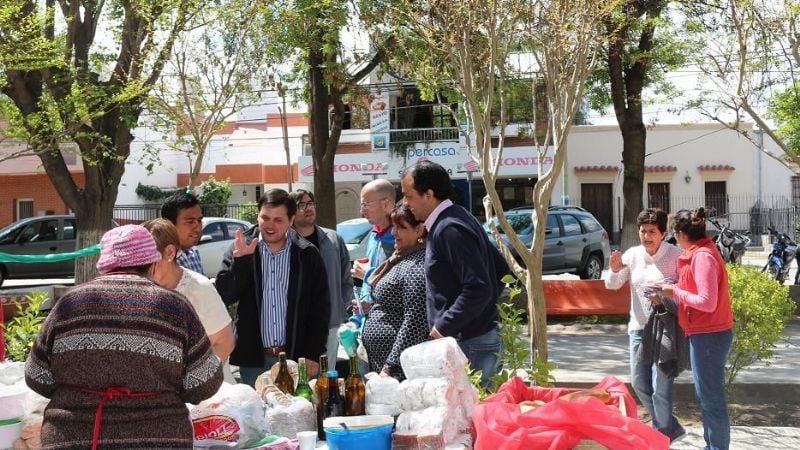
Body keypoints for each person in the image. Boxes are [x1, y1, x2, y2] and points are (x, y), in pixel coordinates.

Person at [25, 225, 223, 449]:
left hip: (73, 437)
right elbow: (205, 383)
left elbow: (36, 375)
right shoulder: (174, 306)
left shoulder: (69, 304)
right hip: (159, 439)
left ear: (104, 265)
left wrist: (81, 394)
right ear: (153, 263)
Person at [400, 160, 509, 386]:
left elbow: (480, 287)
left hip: (470, 343)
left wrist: (444, 325)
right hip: (472, 339)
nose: (405, 203)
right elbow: (499, 270)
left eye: (409, 196)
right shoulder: (456, 218)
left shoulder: (449, 228)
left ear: (428, 194)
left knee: (471, 418)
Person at [215, 188, 330, 387]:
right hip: (254, 361)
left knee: (298, 416)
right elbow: (224, 296)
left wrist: (312, 354)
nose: (270, 226)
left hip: (296, 358)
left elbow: (320, 308)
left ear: (291, 219)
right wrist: (241, 262)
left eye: (278, 220)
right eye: (265, 218)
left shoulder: (307, 254)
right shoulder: (241, 248)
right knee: (256, 417)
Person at [604, 209, 686, 442]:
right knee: (639, 383)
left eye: (652, 231)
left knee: (661, 387)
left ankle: (661, 436)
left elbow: (685, 291)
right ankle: (670, 427)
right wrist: (616, 268)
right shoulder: (632, 254)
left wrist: (665, 294)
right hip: (639, 329)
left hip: (666, 330)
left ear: (663, 233)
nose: (647, 236)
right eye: (643, 231)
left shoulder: (676, 256)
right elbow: (612, 284)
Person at [659, 207, 734, 450]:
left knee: (711, 399)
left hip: (710, 335)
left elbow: (707, 301)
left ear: (680, 234)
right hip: (705, 333)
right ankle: (711, 446)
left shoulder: (702, 257)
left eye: (673, 234)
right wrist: (672, 287)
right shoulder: (699, 254)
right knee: (707, 396)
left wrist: (675, 292)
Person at [143, 218, 236, 382]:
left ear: (170, 253)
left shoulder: (199, 288)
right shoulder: (142, 289)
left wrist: (190, 381)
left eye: (146, 259)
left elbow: (225, 343)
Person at [361, 204, 430, 380]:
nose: (394, 233)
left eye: (401, 227)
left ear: (419, 230)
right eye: (394, 226)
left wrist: (391, 366)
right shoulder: (402, 256)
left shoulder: (418, 265)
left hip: (398, 370)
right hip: (385, 362)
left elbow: (415, 321)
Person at [290, 189, 354, 368]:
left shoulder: (332, 238)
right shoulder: (286, 240)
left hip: (330, 322)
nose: (307, 208)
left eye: (310, 203)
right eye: (301, 205)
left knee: (328, 377)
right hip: (296, 324)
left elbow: (346, 277)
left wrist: (340, 305)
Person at [352, 179, 396, 305]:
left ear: (385, 204)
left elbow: (401, 284)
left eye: (366, 204)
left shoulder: (403, 237)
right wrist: (363, 303)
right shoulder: (374, 233)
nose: (362, 211)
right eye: (361, 205)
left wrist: (367, 273)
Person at [161, 191, 205, 275]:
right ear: (169, 224)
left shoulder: (193, 252)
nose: (198, 227)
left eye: (199, 220)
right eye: (190, 222)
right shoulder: (160, 260)